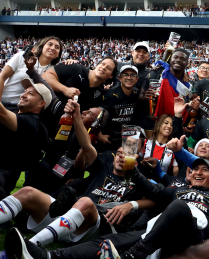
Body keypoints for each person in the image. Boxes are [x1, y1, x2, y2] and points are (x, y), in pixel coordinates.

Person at [7, 156, 209, 259]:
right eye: (194, 169)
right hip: (156, 231)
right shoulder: (178, 189)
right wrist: (134, 171)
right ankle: (50, 256)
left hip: (190, 234)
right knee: (107, 243)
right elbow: (154, 191)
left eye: (204, 170)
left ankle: (132, 257)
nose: (197, 172)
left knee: (178, 207)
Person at [0, 98, 150, 249]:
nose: (122, 156)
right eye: (119, 153)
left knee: (85, 202)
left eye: (129, 151)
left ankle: (28, 247)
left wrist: (131, 205)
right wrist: (77, 116)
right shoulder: (102, 167)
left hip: (94, 226)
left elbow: (162, 196)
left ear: (138, 156)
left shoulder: (141, 177)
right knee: (27, 192)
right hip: (68, 216)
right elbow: (86, 144)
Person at [0, 78, 50, 199]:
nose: (23, 95)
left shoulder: (32, 123)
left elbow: (1, 112)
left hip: (4, 172)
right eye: (25, 91)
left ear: (41, 103)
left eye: (31, 93)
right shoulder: (13, 109)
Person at [0, 37, 63, 109]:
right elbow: (2, 77)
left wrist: (71, 62)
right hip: (3, 102)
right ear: (42, 47)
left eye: (57, 47)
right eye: (50, 44)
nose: (53, 48)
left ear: (58, 54)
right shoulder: (23, 56)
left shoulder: (55, 70)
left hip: (25, 111)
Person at [43, 55, 117, 112]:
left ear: (111, 76)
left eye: (108, 68)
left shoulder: (100, 93)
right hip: (44, 113)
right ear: (96, 65)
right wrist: (64, 89)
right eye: (102, 64)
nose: (103, 67)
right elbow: (45, 76)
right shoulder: (75, 68)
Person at [99, 65, 141, 150]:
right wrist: (99, 136)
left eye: (132, 75)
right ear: (120, 78)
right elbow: (96, 116)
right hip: (108, 138)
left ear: (137, 79)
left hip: (126, 138)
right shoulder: (109, 94)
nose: (129, 77)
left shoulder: (136, 93)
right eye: (126, 74)